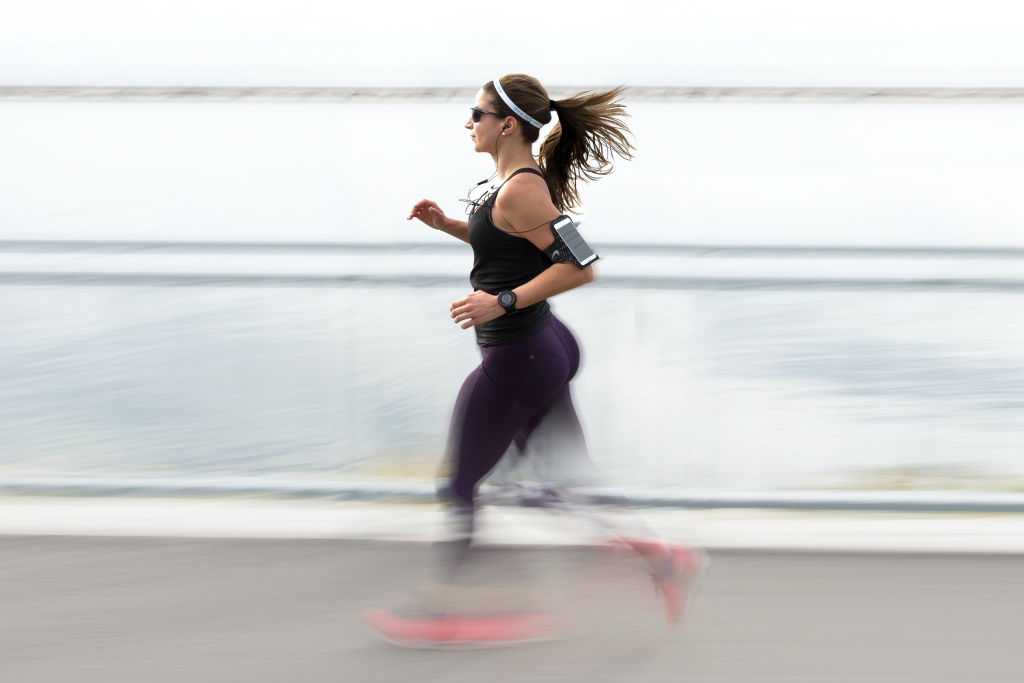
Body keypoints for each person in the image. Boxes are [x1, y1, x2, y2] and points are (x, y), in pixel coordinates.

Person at [363, 74, 706, 647]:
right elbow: (509, 243)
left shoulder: (522, 188)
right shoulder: (511, 184)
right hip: (543, 348)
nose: (468, 123)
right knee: (566, 477)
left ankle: (442, 614)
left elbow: (581, 264)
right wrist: (448, 225)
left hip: (521, 354)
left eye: (475, 113)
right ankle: (664, 559)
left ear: (505, 124)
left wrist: (502, 302)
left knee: (461, 486)